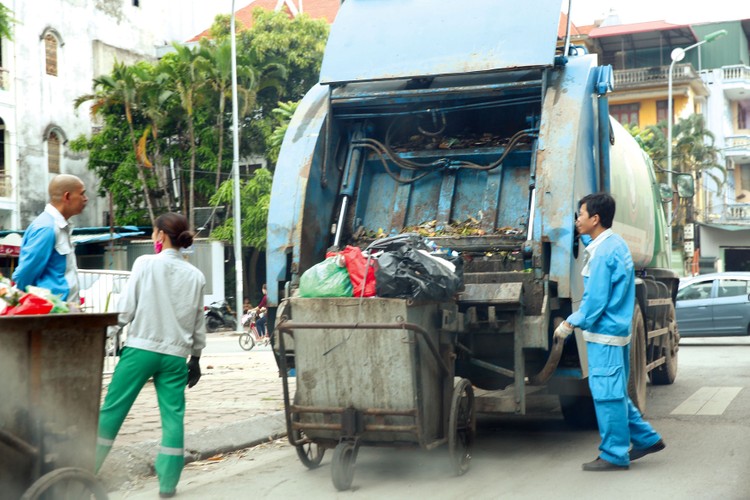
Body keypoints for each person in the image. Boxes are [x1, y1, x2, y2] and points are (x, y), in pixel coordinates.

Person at [95, 213, 206, 498]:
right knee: (173, 418)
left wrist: (102, 336)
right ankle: (168, 484)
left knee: (112, 411)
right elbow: (197, 322)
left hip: (141, 349)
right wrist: (195, 357)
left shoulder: (145, 264)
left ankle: (84, 470)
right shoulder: (196, 275)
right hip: (175, 356)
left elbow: (125, 310)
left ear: (159, 235)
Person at [554, 192, 665, 472]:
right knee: (614, 392)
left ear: (595, 218)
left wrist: (570, 322)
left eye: (580, 214)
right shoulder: (612, 244)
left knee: (607, 396)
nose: (577, 219)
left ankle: (614, 454)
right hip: (614, 333)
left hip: (605, 335)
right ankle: (647, 438)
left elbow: (595, 301)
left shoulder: (603, 253)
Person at [12, 174, 88, 302]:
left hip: (65, 312)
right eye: (82, 194)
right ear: (67, 196)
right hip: (53, 314)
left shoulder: (59, 226)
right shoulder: (47, 228)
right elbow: (24, 276)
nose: (85, 199)